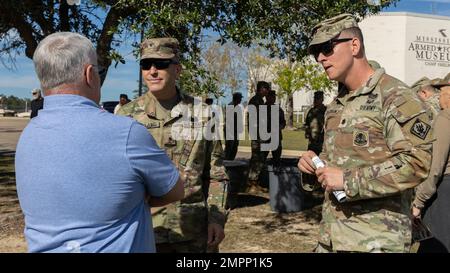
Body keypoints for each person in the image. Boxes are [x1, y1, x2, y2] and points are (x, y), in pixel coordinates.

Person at [15, 32, 184, 253]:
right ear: (89, 74)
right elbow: (174, 191)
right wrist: (133, 194)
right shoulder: (127, 131)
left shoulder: (27, 137)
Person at [298, 14, 433, 253]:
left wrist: (348, 181)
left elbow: (417, 163)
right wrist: (313, 168)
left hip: (376, 242)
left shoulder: (396, 97)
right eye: (315, 52)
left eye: (327, 47)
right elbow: (336, 170)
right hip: (331, 239)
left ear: (354, 45)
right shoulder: (337, 105)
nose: (320, 58)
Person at [117, 37, 228, 253]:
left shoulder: (203, 114)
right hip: (144, 232)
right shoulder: (126, 116)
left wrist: (216, 218)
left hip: (192, 234)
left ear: (177, 70)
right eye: (145, 65)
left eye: (160, 64)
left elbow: (216, 173)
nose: (152, 71)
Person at [412, 74, 450, 253]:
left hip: (444, 192)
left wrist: (418, 202)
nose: (439, 97)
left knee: (437, 246)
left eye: (441, 92)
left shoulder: (445, 118)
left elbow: (436, 168)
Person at [247, 81, 270, 191]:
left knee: (260, 157)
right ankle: (252, 182)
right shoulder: (255, 101)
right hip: (257, 134)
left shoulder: (260, 101)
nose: (268, 91)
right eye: (266, 88)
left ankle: (255, 181)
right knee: (256, 158)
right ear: (261, 89)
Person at [302, 91, 326, 191]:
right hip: (312, 143)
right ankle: (310, 184)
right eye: (315, 98)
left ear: (322, 99)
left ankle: (321, 184)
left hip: (322, 143)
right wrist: (307, 131)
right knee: (311, 164)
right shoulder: (311, 111)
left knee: (321, 163)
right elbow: (307, 123)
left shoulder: (326, 110)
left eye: (318, 98)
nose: (315, 100)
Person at [264, 90, 285, 166]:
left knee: (277, 159)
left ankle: (276, 175)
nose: (273, 98)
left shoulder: (278, 109)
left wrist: (279, 127)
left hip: (276, 137)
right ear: (267, 97)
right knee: (262, 159)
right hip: (265, 138)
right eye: (271, 96)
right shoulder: (262, 109)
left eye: (274, 97)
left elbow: (283, 122)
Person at [224, 92, 243, 160]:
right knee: (229, 146)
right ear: (236, 98)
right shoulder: (230, 106)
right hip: (229, 130)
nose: (241, 100)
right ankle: (226, 162)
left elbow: (239, 119)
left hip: (235, 130)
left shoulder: (238, 108)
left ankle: (231, 161)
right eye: (240, 98)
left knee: (235, 147)